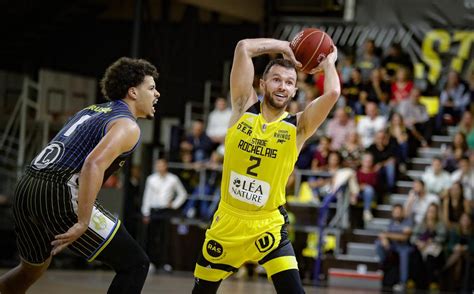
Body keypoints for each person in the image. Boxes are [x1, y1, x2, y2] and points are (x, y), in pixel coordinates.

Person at [192, 38, 340, 294]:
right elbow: (243, 48)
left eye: (289, 82)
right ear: (262, 84)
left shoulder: (299, 126)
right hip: (228, 221)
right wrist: (285, 47)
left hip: (268, 225)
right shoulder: (242, 107)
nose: (283, 86)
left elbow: (333, 93)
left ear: (295, 91)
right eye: (276, 79)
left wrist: (328, 63)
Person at [0, 57, 160, 294]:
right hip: (58, 190)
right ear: (133, 92)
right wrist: (83, 221)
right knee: (135, 264)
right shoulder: (127, 125)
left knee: (31, 269)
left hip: (27, 186)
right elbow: (93, 164)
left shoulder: (91, 110)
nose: (157, 94)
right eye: (151, 88)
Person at [141, 158, 187, 272]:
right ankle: (150, 262)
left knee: (165, 238)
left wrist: (174, 204)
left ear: (166, 166)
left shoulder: (173, 179)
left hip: (166, 211)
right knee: (151, 237)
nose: (160, 167)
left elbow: (183, 194)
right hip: (153, 211)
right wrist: (145, 212)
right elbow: (147, 196)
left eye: (162, 165)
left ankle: (164, 262)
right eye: (158, 165)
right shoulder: (151, 179)